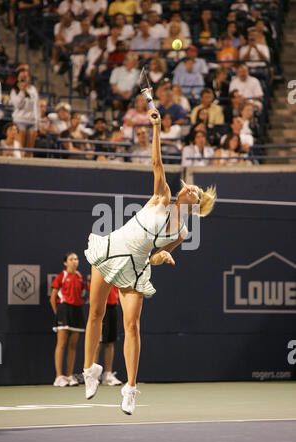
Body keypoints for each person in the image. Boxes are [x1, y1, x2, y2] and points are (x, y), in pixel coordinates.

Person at [83, 107, 216, 414]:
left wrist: (160, 257)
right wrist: (156, 127)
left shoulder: (180, 233)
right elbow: (156, 161)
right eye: (189, 188)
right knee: (95, 313)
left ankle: (129, 389)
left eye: (194, 191)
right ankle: (90, 370)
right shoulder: (162, 196)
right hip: (112, 248)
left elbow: (153, 256)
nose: (189, 189)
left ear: (194, 204)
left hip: (135, 266)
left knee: (132, 326)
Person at [50, 252, 86, 387]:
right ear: (65, 263)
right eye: (71, 259)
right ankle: (59, 377)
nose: (74, 261)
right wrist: (58, 313)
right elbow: (53, 298)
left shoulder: (80, 276)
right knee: (61, 344)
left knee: (73, 345)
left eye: (76, 259)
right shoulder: (61, 276)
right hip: (63, 311)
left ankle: (69, 375)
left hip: (77, 311)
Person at [93, 285, 122, 386]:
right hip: (101, 307)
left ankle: (107, 374)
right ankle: (93, 376)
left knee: (110, 342)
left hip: (113, 307)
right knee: (98, 342)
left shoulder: (117, 272)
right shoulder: (100, 272)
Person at [9, 69, 39, 158]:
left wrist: (38, 122)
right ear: (18, 78)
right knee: (20, 150)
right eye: (22, 77)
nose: (24, 79)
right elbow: (18, 105)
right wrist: (22, 91)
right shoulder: (15, 90)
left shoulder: (33, 89)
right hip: (20, 121)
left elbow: (36, 106)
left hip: (32, 122)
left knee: (30, 150)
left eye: (25, 77)